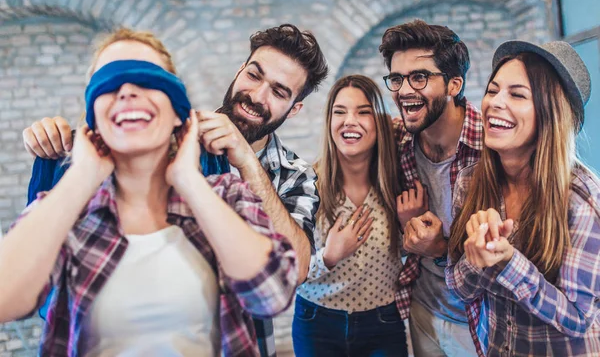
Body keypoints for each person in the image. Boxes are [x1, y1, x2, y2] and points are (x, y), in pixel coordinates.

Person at [22, 24, 328, 357]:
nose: (256, 95)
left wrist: (247, 164)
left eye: (279, 92)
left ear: (295, 107)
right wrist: (60, 147)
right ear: (240, 70)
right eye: (254, 75)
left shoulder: (294, 176)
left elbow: (294, 271)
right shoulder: (165, 139)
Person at [446, 40, 600, 356]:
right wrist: (478, 256)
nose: (494, 103)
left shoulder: (582, 200)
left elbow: (578, 319)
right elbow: (460, 287)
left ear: (551, 114)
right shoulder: (470, 182)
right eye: (492, 90)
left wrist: (508, 262)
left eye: (517, 94)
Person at [378, 19, 481, 356]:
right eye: (396, 78)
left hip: (483, 317)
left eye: (419, 77)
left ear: (454, 84)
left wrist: (440, 249)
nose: (404, 90)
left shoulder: (494, 146)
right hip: (424, 312)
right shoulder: (400, 143)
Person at [292, 75, 407, 356]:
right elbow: (288, 271)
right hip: (316, 322)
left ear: (379, 123)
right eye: (339, 112)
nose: (350, 121)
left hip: (383, 321)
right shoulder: (305, 186)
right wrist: (328, 257)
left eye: (363, 112)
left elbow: (413, 260)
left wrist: (409, 225)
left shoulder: (399, 185)